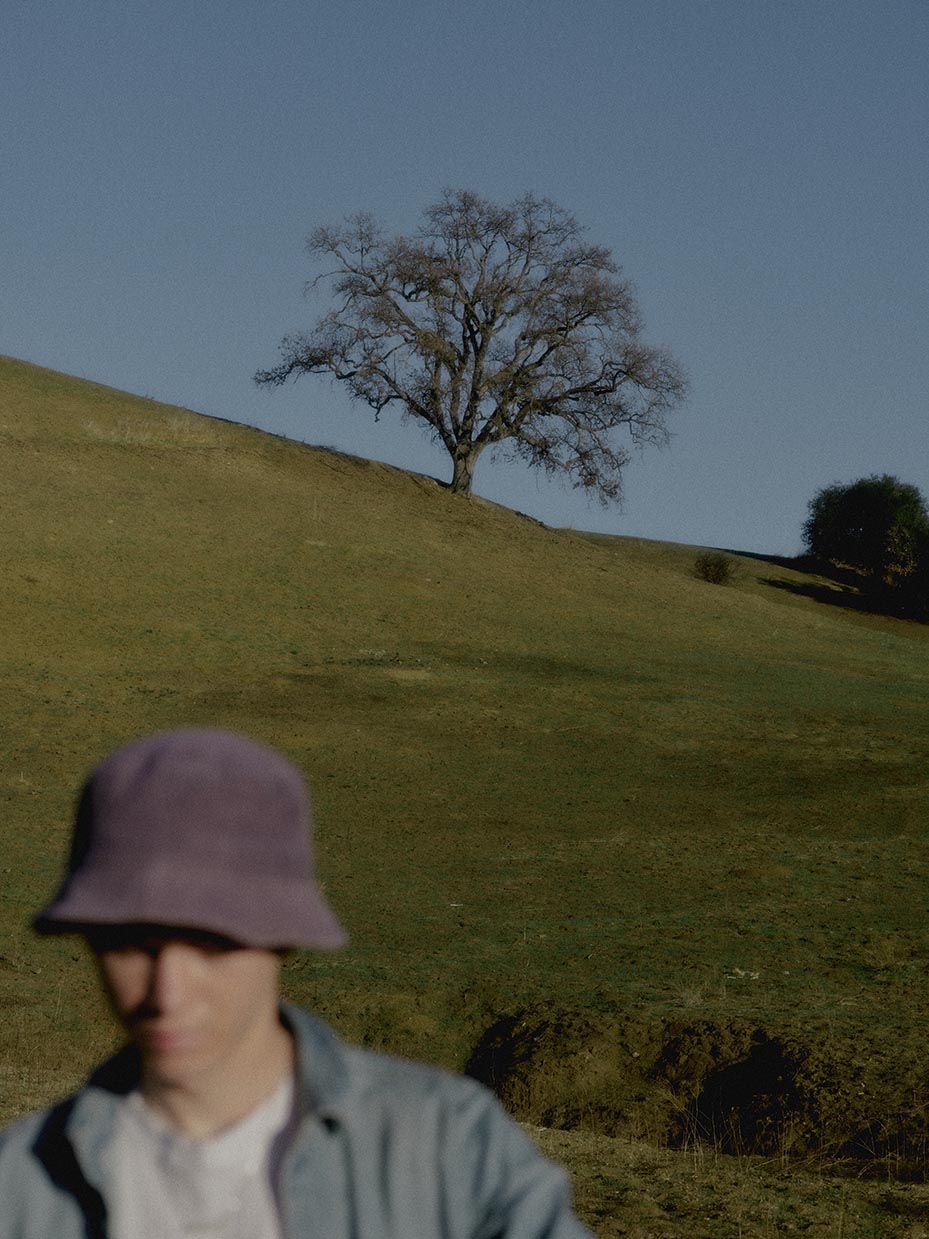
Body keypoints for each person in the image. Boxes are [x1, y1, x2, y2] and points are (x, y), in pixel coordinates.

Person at [0, 728, 591, 1238]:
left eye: (214, 942)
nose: (167, 995)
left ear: (282, 937)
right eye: (129, 945)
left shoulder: (447, 1148)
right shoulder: (19, 1187)